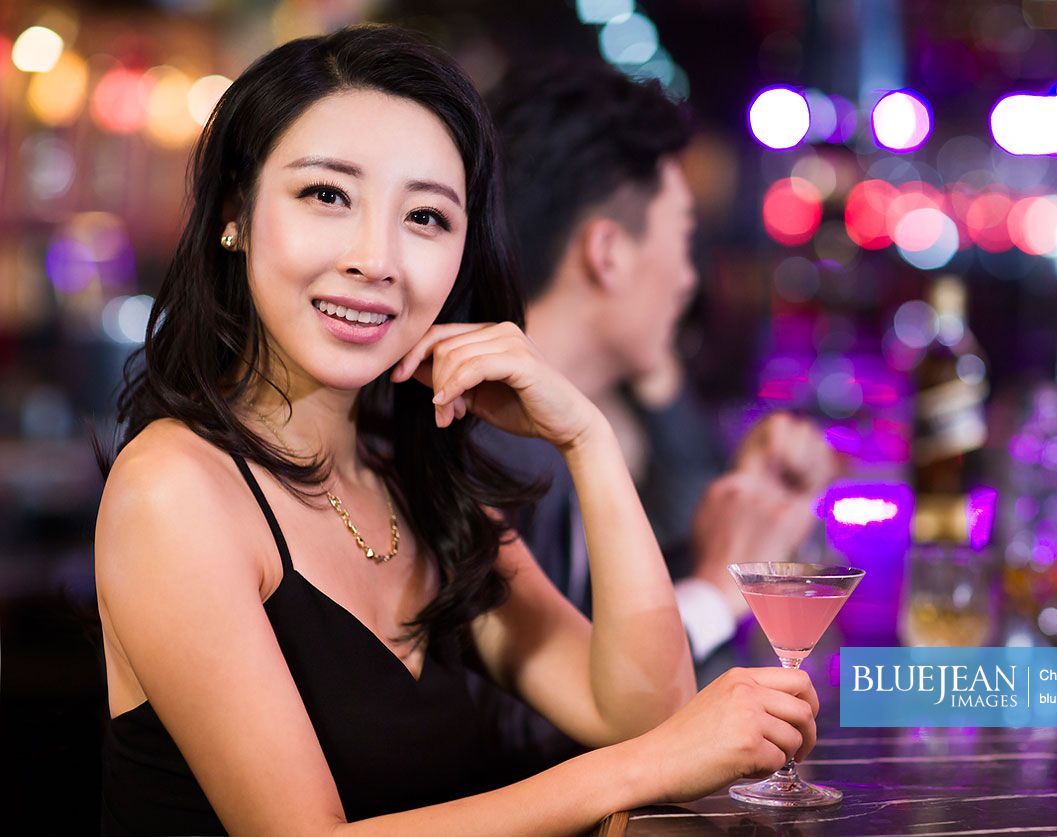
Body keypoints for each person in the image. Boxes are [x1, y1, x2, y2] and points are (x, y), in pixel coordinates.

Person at [94, 25, 820, 835]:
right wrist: (645, 765)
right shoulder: (175, 488)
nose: (376, 258)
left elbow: (640, 708)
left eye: (427, 218)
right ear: (236, 212)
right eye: (327, 195)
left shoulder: (407, 481)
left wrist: (585, 437)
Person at [487, 60, 841, 662]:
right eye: (683, 239)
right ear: (608, 252)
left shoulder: (582, 418)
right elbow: (570, 707)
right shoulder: (495, 445)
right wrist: (716, 588)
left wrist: (742, 501)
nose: (687, 280)